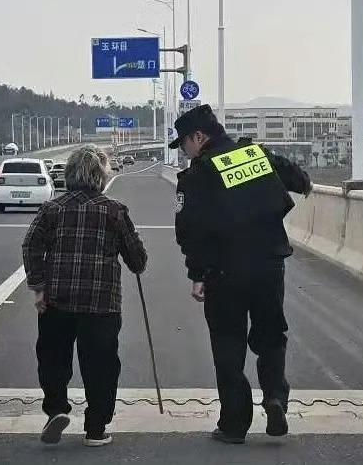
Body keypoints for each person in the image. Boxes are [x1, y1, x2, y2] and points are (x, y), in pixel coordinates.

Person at [171, 104, 311, 444]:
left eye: (185, 144)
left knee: (228, 345)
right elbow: (300, 181)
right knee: (271, 334)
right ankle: (275, 397)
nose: (184, 152)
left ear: (199, 137)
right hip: (268, 265)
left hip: (223, 272)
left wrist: (197, 273)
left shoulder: (197, 175)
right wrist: (263, 156)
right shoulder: (253, 156)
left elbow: (189, 231)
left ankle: (234, 425)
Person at [22, 145, 147, 447]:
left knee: (53, 360)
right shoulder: (115, 211)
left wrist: (39, 287)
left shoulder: (52, 209)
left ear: (70, 174)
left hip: (56, 301)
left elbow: (31, 246)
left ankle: (55, 410)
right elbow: (138, 260)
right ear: (101, 176)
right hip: (101, 304)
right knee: (101, 366)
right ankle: (96, 428)